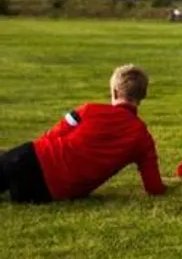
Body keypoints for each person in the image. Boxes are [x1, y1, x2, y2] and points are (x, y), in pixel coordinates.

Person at [1, 65, 165, 203]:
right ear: (143, 96)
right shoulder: (143, 138)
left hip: (31, 160)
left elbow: (54, 133)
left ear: (114, 92)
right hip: (49, 192)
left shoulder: (88, 110)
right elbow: (154, 187)